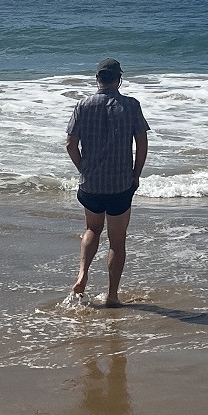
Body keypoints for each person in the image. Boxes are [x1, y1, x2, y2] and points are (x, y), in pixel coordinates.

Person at [66, 59, 149, 307]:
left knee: (92, 229)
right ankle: (112, 295)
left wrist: (83, 169)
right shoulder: (131, 105)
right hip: (120, 185)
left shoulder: (83, 105)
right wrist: (136, 174)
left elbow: (70, 144)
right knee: (117, 239)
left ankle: (82, 274)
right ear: (119, 79)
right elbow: (142, 144)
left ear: (97, 79)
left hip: (91, 184)